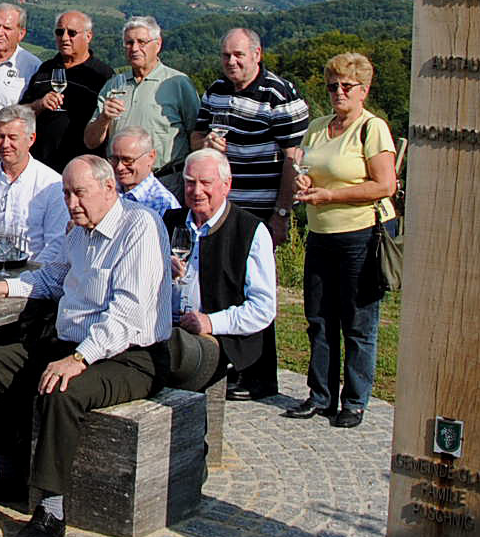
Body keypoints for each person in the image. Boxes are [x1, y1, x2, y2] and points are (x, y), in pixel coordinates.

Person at [0, 156, 194, 537]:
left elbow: (128, 312)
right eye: (67, 194)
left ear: (109, 189)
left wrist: (80, 358)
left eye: (80, 193)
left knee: (62, 390)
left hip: (132, 355)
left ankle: (52, 509)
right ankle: (13, 466)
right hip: (72, 343)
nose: (72, 203)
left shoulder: (138, 227)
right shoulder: (78, 230)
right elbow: (52, 277)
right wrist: (1, 288)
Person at [192, 27, 309, 401]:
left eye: (239, 55)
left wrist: (281, 213)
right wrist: (207, 144)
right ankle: (232, 367)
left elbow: (293, 159)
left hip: (261, 207)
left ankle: (260, 376)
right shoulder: (216, 90)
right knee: (224, 285)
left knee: (256, 289)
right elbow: (196, 138)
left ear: (257, 54)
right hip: (224, 205)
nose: (231, 62)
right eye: (226, 55)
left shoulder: (279, 94)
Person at [287, 54, 398, 429]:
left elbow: (385, 185)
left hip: (360, 235)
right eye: (333, 85)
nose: (338, 92)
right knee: (319, 318)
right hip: (321, 234)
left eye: (347, 86)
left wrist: (331, 196)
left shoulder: (372, 129)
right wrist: (304, 181)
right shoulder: (318, 127)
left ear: (363, 90)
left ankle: (354, 400)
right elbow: (306, 168)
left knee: (357, 321)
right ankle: (320, 395)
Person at [162, 149, 277, 391]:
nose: (196, 191)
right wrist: (160, 270)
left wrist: (211, 323)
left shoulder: (250, 231)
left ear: (226, 185)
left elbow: (263, 308)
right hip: (168, 329)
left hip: (222, 343)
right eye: (190, 182)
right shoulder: (169, 221)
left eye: (206, 183)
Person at [83, 16, 202, 190]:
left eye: (141, 42)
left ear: (158, 44)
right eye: (129, 43)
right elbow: (90, 142)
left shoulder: (178, 83)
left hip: (166, 183)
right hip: (121, 184)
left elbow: (196, 135)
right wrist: (104, 118)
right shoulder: (114, 85)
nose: (135, 48)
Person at [0, 105, 67, 263]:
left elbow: (56, 244)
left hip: (34, 271)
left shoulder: (52, 184)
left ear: (31, 139)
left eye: (12, 137)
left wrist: (29, 274)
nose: (5, 144)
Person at [21, 11, 114, 173]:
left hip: (82, 169)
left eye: (72, 33)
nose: (64, 38)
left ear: (88, 36)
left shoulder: (102, 75)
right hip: (41, 168)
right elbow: (20, 114)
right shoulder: (45, 69)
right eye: (59, 32)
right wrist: (39, 104)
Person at [109, 128, 179, 216]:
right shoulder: (107, 190)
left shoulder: (164, 203)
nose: (119, 167)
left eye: (127, 160)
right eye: (115, 159)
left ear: (151, 157)